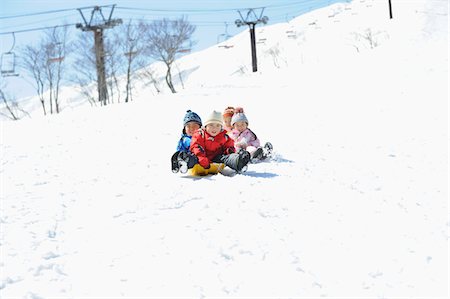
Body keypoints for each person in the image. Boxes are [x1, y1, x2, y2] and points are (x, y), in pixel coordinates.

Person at [178, 110, 251, 173]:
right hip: (201, 158)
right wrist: (202, 158)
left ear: (221, 127)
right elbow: (196, 146)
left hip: (216, 157)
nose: (214, 128)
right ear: (205, 126)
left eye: (217, 126)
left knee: (227, 158)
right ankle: (184, 163)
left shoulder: (224, 136)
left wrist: (229, 151)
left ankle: (239, 162)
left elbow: (229, 146)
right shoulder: (200, 134)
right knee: (193, 158)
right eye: (211, 125)